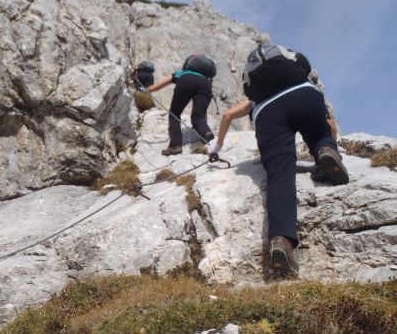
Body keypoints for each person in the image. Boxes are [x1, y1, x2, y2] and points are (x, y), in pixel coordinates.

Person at [207, 44, 349, 276]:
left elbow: (227, 115)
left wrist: (217, 146)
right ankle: (325, 152)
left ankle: (281, 242)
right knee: (319, 136)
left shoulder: (256, 99)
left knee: (279, 176)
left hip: (267, 113)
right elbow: (331, 125)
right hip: (305, 95)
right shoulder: (297, 78)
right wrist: (329, 144)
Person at [143, 54, 216, 156]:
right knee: (198, 116)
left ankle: (175, 145)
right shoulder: (205, 78)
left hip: (186, 81)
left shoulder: (183, 72)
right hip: (205, 85)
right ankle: (206, 134)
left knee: (174, 113)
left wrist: (148, 90)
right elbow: (203, 113)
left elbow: (163, 83)